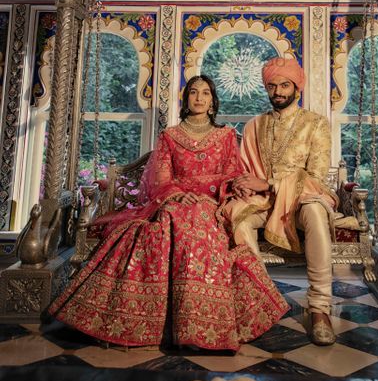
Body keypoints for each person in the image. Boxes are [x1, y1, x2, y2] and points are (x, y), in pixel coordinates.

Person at [49, 75, 288, 350]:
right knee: (168, 221)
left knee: (199, 219)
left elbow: (231, 174)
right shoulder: (169, 136)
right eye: (194, 92)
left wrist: (219, 189)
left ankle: (201, 325)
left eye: (206, 93)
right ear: (186, 99)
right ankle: (172, 321)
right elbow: (161, 179)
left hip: (211, 203)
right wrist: (177, 194)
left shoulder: (224, 136)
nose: (199, 97)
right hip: (174, 201)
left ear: (212, 101)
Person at [226, 57, 338, 346]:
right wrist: (241, 184)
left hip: (303, 199)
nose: (278, 91)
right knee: (236, 215)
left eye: (284, 85)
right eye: (272, 85)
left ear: (296, 87)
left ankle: (319, 308)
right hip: (263, 202)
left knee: (314, 212)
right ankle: (262, 298)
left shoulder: (315, 124)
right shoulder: (254, 125)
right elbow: (244, 169)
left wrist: (271, 184)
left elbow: (316, 177)